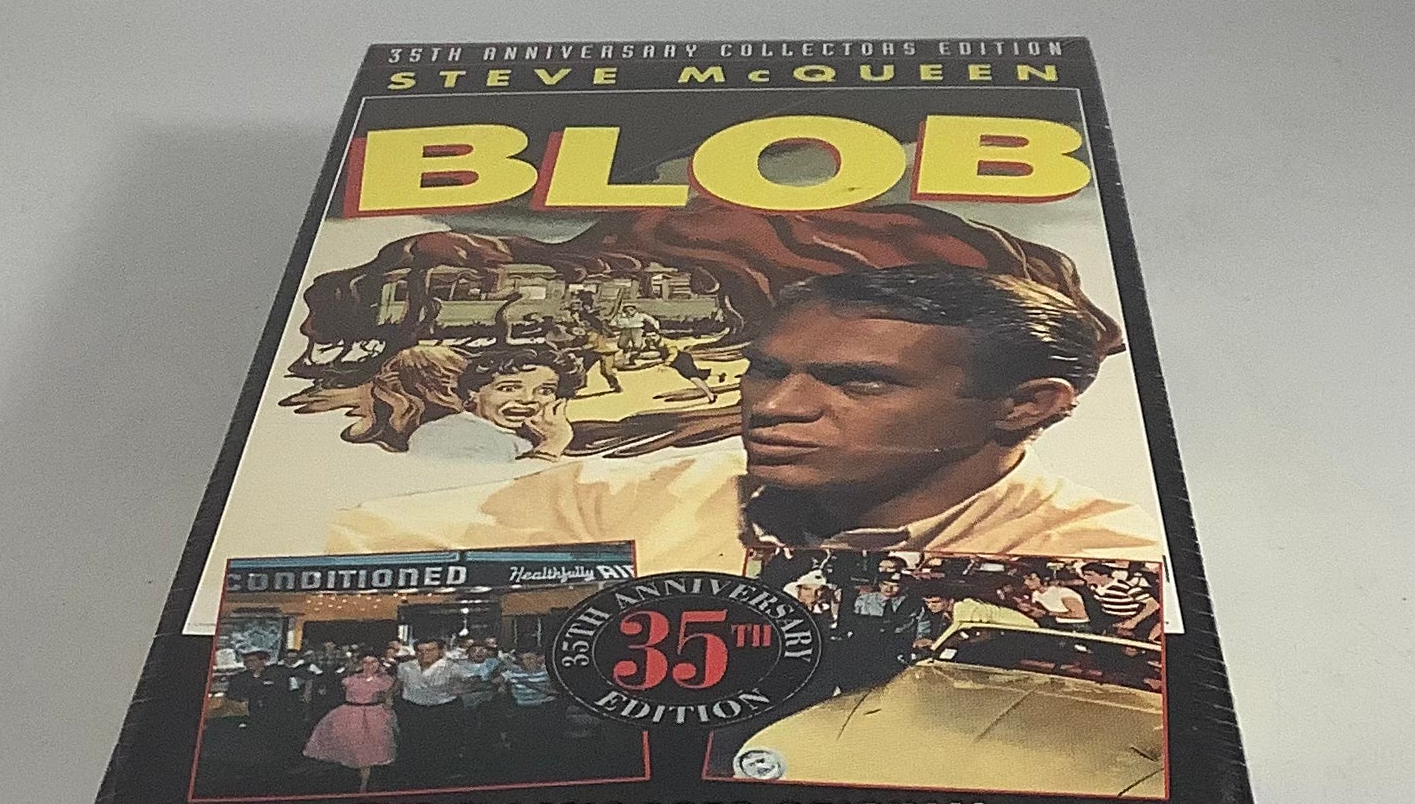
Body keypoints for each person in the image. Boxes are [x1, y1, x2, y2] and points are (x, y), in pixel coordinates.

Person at [329, 266, 1164, 567]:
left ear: (1026, 405)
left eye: (859, 383)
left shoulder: (1102, 557)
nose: (775, 406)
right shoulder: (627, 500)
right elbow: (363, 544)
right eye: (766, 370)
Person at [404, 348, 582, 466]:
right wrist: (552, 445)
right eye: (509, 388)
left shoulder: (517, 434)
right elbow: (494, 493)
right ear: (474, 393)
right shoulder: (447, 434)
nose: (528, 399)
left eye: (545, 390)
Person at [302, 651, 398, 792]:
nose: (369, 666)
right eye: (365, 663)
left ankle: (366, 783)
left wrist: (387, 700)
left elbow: (391, 695)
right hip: (351, 714)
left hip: (374, 715)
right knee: (351, 745)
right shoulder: (350, 679)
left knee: (371, 748)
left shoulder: (385, 680)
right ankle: (351, 781)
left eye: (373, 662)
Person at [392, 637, 465, 784]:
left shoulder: (452, 667)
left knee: (440, 746)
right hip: (414, 710)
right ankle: (414, 779)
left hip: (441, 711)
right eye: (420, 651)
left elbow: (460, 685)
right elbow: (398, 684)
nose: (424, 654)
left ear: (440, 651)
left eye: (430, 650)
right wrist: (388, 697)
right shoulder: (405, 666)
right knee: (413, 745)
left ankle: (439, 778)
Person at [222, 650, 302, 764]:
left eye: (252, 661)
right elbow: (232, 696)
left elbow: (289, 689)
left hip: (278, 714)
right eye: (246, 661)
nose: (249, 664)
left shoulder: (277, 673)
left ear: (263, 661)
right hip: (253, 716)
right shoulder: (240, 678)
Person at [498, 648, 563, 768]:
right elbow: (497, 681)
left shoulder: (548, 672)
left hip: (543, 709)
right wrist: (500, 684)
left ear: (537, 659)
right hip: (522, 710)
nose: (525, 662)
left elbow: (556, 690)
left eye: (529, 658)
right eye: (521, 659)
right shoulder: (513, 672)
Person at [1079, 562, 1161, 639]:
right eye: (1084, 575)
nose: (1085, 578)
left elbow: (1153, 604)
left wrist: (1134, 621)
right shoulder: (1092, 588)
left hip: (1131, 622)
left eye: (1089, 575)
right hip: (1109, 622)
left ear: (1104, 575)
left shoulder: (1125, 586)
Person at [1022, 569, 1091, 630]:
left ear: (1044, 578)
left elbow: (1079, 614)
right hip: (1055, 625)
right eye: (1025, 580)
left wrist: (1049, 613)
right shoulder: (1036, 594)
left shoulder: (1062, 592)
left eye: (1031, 579)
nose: (1026, 582)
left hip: (1077, 627)